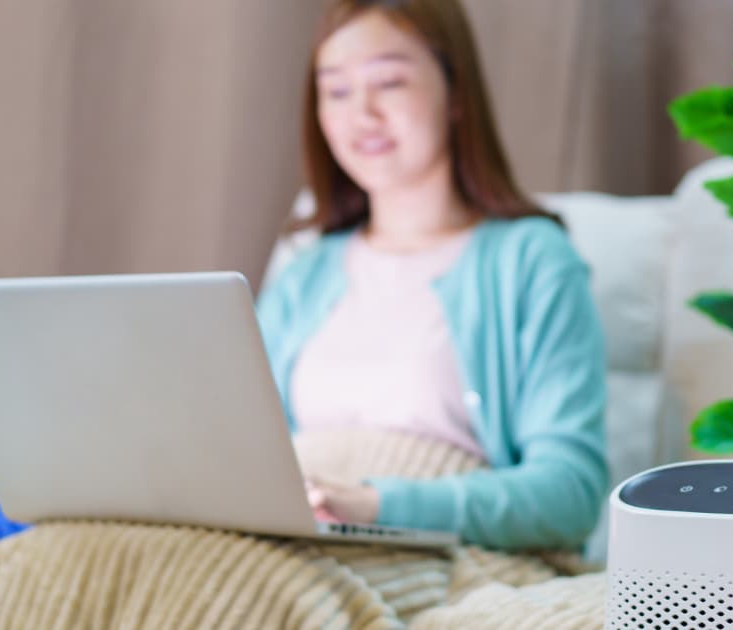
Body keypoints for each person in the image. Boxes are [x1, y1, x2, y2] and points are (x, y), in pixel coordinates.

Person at [257, 0, 607, 551]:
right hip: (300, 539)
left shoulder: (532, 260)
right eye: (337, 90)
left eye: (389, 82)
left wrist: (375, 506)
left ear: (457, 94)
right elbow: (243, 453)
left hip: (450, 555)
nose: (361, 114)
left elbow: (571, 494)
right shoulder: (304, 273)